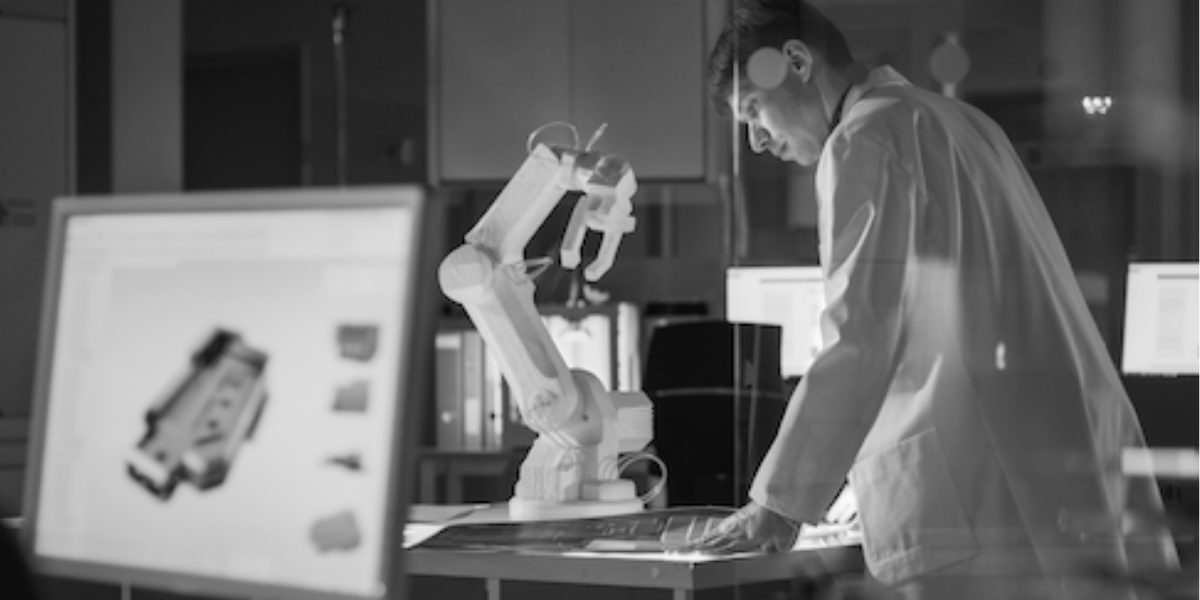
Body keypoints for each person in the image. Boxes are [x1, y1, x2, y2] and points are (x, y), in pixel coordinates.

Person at [692, 1, 1179, 598]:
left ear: (796, 60)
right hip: (1057, 455)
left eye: (753, 109)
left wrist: (779, 504)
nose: (756, 141)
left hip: (979, 497)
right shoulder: (961, 123)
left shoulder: (865, 139)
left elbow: (862, 336)